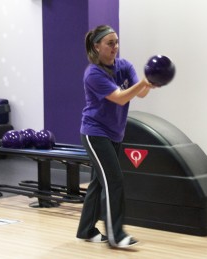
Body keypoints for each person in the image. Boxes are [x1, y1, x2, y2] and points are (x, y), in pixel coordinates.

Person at [76, 25, 153, 249]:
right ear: (96, 46)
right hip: (94, 133)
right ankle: (116, 235)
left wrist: (150, 81)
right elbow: (119, 97)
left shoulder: (124, 66)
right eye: (110, 43)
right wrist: (143, 82)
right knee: (114, 181)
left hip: (114, 134)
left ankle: (86, 230)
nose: (115, 47)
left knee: (99, 183)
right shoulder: (93, 74)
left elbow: (142, 92)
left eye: (116, 42)